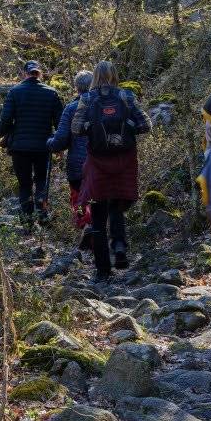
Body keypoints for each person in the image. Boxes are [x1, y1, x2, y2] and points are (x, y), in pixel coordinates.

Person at [61, 60, 149, 282]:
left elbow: (75, 128)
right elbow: (146, 125)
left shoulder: (87, 99)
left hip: (97, 163)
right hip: (124, 162)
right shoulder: (126, 96)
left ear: (95, 77)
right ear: (114, 75)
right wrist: (126, 127)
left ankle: (102, 271)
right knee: (117, 207)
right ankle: (119, 246)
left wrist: (92, 129)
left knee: (98, 216)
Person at [0, 60, 64, 228]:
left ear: (24, 73)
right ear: (40, 73)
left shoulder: (14, 92)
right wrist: (59, 147)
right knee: (42, 180)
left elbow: (6, 121)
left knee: (24, 184)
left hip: (20, 148)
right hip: (44, 147)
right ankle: (42, 215)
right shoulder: (52, 93)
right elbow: (60, 123)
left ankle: (27, 222)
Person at [46, 69, 95, 241]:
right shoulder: (104, 105)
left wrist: (49, 143)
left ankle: (85, 228)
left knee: (79, 197)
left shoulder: (72, 108)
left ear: (76, 88)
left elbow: (61, 140)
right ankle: (96, 229)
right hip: (102, 163)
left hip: (77, 165)